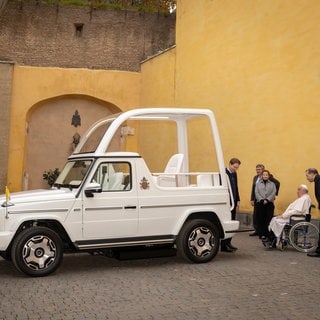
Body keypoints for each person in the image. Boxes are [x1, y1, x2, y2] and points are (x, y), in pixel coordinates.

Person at [262, 184, 311, 248]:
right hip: (294, 217)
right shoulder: (305, 198)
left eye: (299, 189)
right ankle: (271, 240)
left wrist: (283, 216)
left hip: (295, 218)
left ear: (303, 191)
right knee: (275, 219)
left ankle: (271, 240)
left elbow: (296, 211)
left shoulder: (304, 199)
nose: (297, 191)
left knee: (276, 220)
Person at [221, 157, 241, 252]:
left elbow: (235, 187)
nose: (235, 169)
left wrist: (238, 200)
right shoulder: (223, 173)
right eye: (234, 167)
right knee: (227, 223)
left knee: (232, 221)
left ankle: (228, 243)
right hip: (227, 202)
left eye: (237, 167)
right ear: (230, 164)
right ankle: (224, 245)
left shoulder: (234, 173)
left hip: (233, 201)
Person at [255, 170, 277, 239]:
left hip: (269, 204)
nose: (265, 176)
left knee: (269, 219)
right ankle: (262, 234)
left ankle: (268, 234)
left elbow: (274, 193)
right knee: (261, 219)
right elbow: (256, 192)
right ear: (262, 176)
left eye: (266, 175)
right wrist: (261, 200)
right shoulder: (258, 184)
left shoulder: (272, 184)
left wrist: (267, 200)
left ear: (269, 176)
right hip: (260, 204)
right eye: (264, 175)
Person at [305, 168, 320, 257]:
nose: (307, 178)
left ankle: (318, 251)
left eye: (307, 175)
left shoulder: (318, 180)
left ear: (312, 174)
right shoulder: (317, 180)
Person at [249, 164, 265, 236]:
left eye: (259, 169)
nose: (257, 171)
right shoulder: (255, 178)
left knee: (262, 215)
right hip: (256, 199)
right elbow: (253, 188)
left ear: (263, 170)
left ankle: (262, 231)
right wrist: (252, 199)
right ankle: (256, 230)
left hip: (263, 199)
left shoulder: (266, 177)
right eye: (257, 169)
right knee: (255, 215)